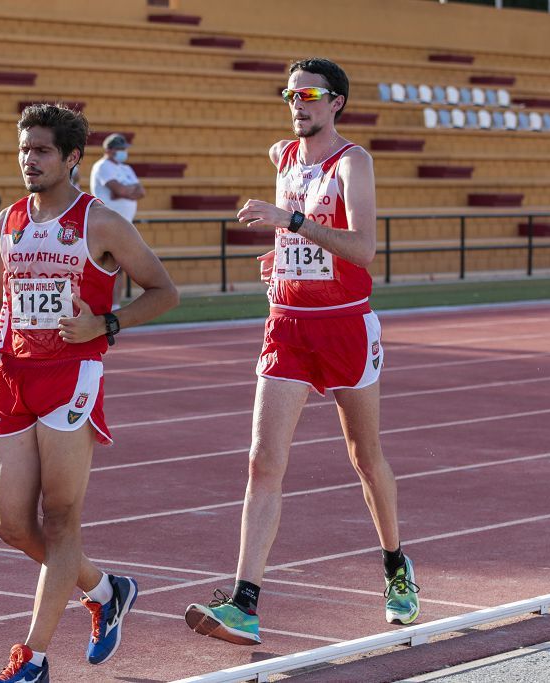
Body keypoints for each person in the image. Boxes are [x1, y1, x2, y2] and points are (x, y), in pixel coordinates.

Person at [184, 58, 420, 646]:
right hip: (287, 324)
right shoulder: (283, 157)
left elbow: (362, 249)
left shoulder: (353, 162)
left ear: (336, 101)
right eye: (289, 95)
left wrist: (288, 220)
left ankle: (395, 564)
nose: (297, 103)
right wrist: (281, 254)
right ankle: (244, 602)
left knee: (365, 457)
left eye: (309, 94)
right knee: (263, 462)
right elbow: (301, 237)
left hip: (343, 326)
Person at [0, 103, 178, 682]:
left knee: (60, 522)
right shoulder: (4, 223)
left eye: (41, 151)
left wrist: (107, 325)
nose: (28, 160)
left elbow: (164, 291)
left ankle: (31, 660)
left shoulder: (100, 222)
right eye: (23, 149)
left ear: (71, 158)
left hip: (71, 377)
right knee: (10, 526)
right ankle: (108, 590)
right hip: (13, 375)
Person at [89, 134, 145, 309]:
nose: (122, 152)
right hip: (106, 224)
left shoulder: (126, 169)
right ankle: (100, 305)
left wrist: (125, 191)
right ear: (109, 149)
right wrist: (127, 191)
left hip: (124, 224)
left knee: (119, 265)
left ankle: (115, 305)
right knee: (103, 265)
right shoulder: (103, 166)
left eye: (123, 149)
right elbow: (118, 190)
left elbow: (141, 192)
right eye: (119, 149)